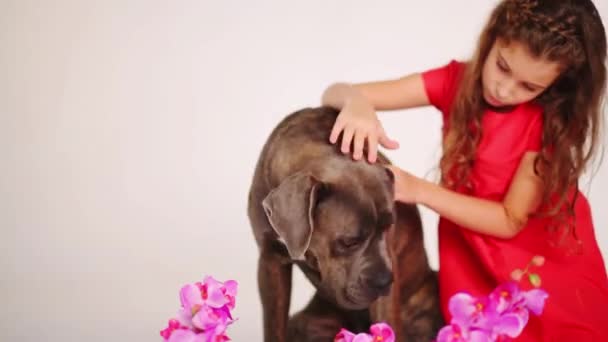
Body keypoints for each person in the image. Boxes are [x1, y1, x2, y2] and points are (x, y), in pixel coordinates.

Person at [320, 0, 608, 340]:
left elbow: (509, 220)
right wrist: (357, 105)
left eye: (528, 86)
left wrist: (420, 190)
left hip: (543, 266)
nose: (505, 89)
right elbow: (336, 92)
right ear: (493, 39)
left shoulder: (551, 121)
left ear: (556, 83)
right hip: (470, 257)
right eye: (502, 66)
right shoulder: (455, 81)